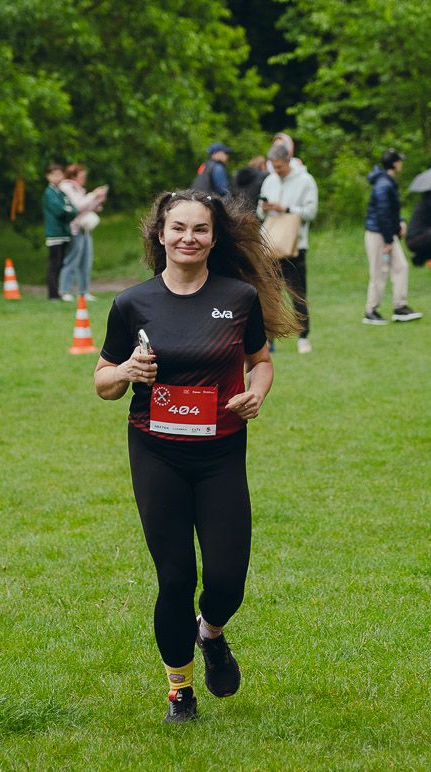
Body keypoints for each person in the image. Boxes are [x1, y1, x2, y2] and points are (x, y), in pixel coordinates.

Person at [93, 189, 300, 724]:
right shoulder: (131, 304)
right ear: (160, 235)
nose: (189, 237)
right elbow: (103, 382)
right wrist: (125, 372)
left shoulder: (239, 298)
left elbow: (260, 362)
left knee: (227, 579)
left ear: (213, 238)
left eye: (200, 229)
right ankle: (179, 692)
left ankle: (210, 633)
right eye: (179, 228)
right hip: (156, 453)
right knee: (176, 578)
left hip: (221, 454)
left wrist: (257, 392)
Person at [258, 143, 319, 353]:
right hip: (271, 244)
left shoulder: (305, 180)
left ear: (288, 161)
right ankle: (269, 338)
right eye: (273, 166)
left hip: (295, 245)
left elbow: (311, 212)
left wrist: (286, 209)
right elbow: (259, 213)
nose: (277, 170)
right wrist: (265, 208)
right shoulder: (269, 180)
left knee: (298, 293)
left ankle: (303, 337)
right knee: (269, 294)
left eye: (280, 166)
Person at [363, 149, 422, 324]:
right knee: (379, 272)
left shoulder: (387, 182)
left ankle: (400, 307)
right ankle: (371, 311)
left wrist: (400, 222)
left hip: (387, 233)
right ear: (395, 164)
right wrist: (388, 240)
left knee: (401, 266)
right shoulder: (383, 184)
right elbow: (382, 214)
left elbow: (391, 210)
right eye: (399, 161)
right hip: (379, 235)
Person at [57, 163, 107, 302]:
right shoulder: (66, 187)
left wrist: (98, 200)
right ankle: (65, 291)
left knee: (86, 260)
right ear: (73, 176)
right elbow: (78, 206)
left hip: (85, 229)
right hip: (74, 229)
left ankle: (83, 292)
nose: (84, 179)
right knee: (72, 259)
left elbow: (87, 207)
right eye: (82, 176)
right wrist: (93, 195)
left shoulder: (79, 189)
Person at [42, 163, 75, 300]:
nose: (58, 177)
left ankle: (58, 291)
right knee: (54, 264)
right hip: (54, 234)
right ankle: (52, 294)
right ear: (48, 176)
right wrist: (67, 210)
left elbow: (73, 210)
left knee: (61, 263)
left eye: (60, 174)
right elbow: (59, 211)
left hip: (64, 233)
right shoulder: (49, 193)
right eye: (54, 174)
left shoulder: (61, 193)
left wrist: (68, 211)